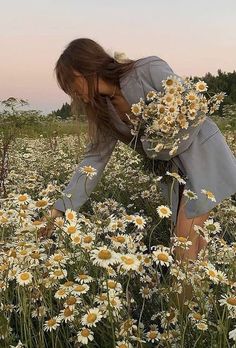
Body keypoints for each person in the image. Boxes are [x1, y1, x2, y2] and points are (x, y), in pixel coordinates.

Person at [38, 38, 236, 309]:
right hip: (175, 173)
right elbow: (93, 161)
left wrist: (162, 140)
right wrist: (60, 210)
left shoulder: (147, 70)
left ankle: (182, 318)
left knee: (183, 240)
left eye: (72, 86)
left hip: (204, 157)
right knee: (192, 240)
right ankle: (200, 308)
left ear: (84, 70)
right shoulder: (103, 112)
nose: (75, 95)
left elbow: (195, 105)